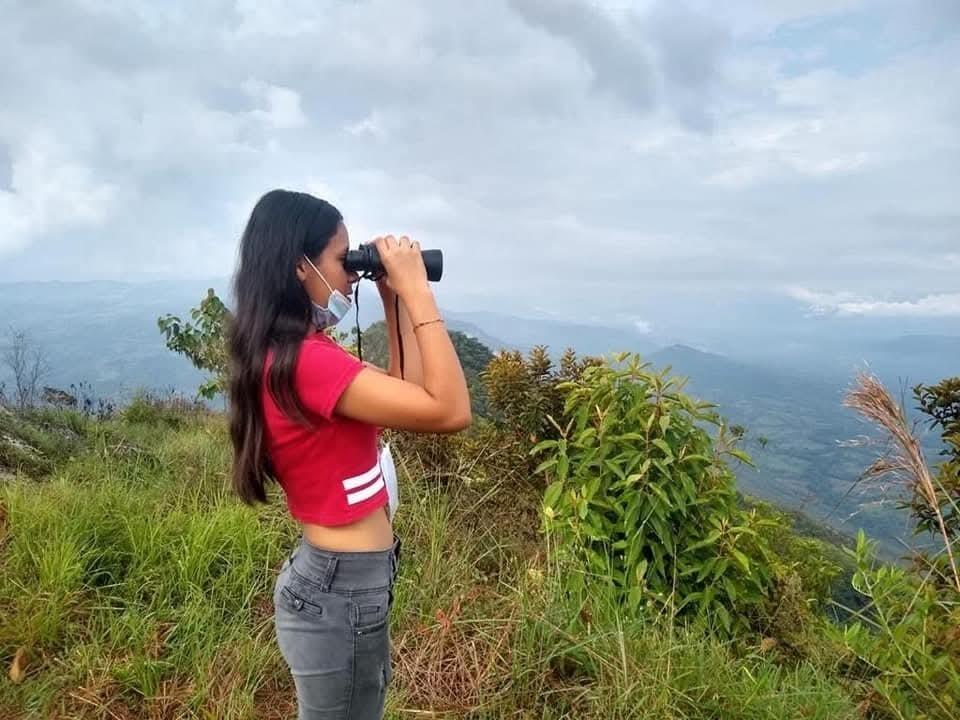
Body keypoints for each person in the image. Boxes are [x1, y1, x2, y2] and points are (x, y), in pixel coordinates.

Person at [226, 189, 472, 719]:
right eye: (344, 260)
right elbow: (450, 409)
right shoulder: (306, 363)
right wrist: (418, 293)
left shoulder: (298, 353)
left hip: (342, 586)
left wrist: (392, 298)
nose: (351, 276)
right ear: (300, 266)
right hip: (339, 593)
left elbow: (411, 394)